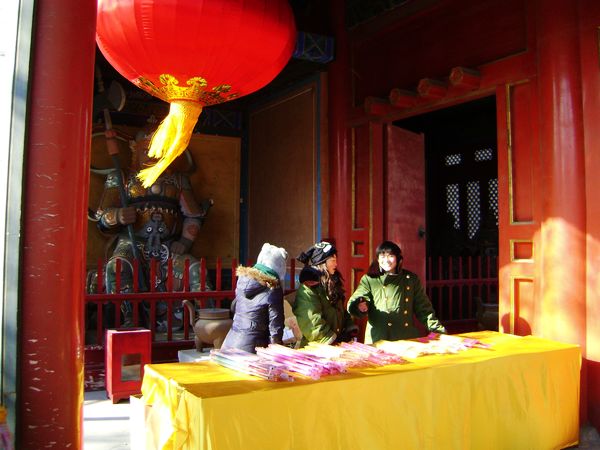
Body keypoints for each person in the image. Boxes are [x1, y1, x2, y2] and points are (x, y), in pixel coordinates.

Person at [95, 126, 212, 329]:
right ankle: (129, 320)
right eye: (147, 149)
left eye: (160, 149)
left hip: (167, 248)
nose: (153, 154)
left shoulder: (178, 180)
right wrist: (118, 216)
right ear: (135, 149)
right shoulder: (121, 178)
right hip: (131, 245)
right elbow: (101, 218)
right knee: (118, 267)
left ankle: (206, 322)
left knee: (194, 269)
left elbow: (193, 216)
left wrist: (184, 242)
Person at [347, 240, 446, 343]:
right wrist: (360, 305)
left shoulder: (410, 279)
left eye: (390, 256)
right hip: (379, 338)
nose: (386, 260)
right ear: (377, 259)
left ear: (398, 258)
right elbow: (358, 299)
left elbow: (424, 309)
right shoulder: (370, 279)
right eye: (382, 256)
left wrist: (438, 331)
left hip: (405, 337)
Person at [221, 243, 288, 353]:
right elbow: (275, 327)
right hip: (253, 349)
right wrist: (277, 351)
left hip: (230, 344)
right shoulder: (273, 289)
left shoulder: (242, 281)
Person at [292, 241, 357, 347]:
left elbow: (341, 311)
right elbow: (312, 322)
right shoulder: (308, 289)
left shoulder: (332, 284)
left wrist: (349, 329)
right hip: (317, 348)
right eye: (333, 260)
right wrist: (331, 340)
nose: (336, 264)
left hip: (335, 346)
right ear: (322, 262)